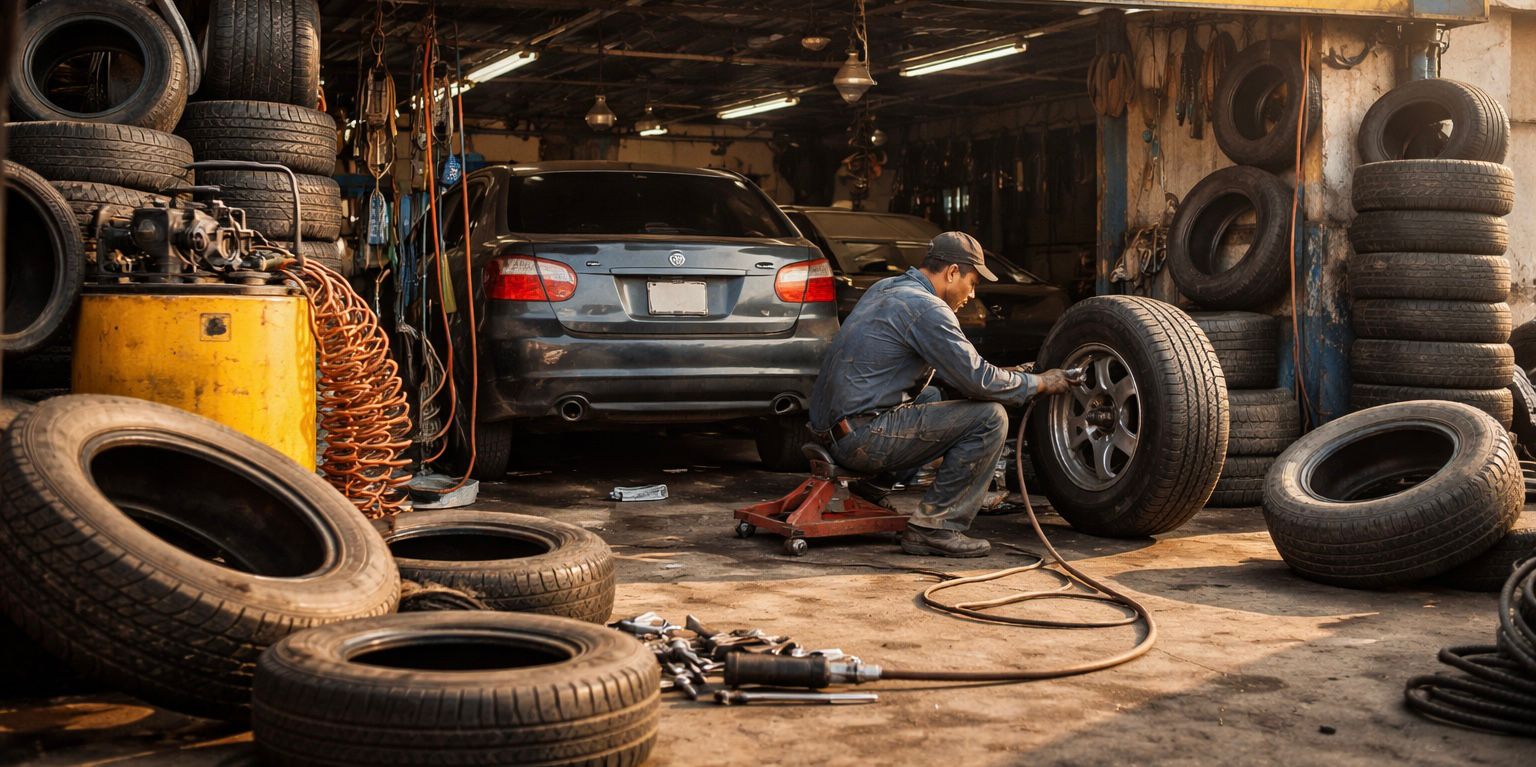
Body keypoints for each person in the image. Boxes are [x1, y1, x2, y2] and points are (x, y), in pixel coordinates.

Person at [808, 231, 1072, 558]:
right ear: (951, 273)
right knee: (990, 418)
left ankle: (870, 492)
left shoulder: (886, 288)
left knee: (930, 396)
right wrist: (1041, 383)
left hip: (827, 429)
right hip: (859, 439)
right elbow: (977, 381)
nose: (972, 294)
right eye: (972, 283)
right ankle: (936, 528)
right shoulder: (927, 308)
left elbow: (965, 374)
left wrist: (1013, 375)